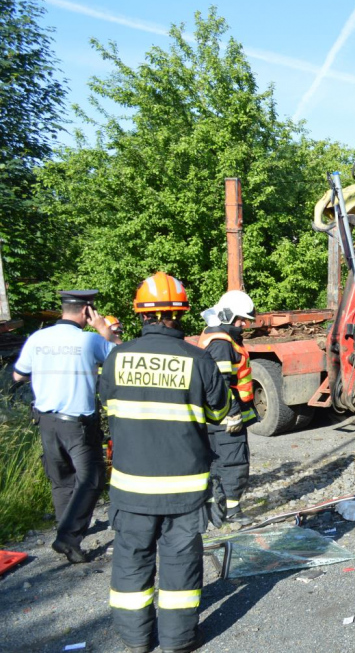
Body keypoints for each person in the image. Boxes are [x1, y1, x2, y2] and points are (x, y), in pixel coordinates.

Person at [99, 272, 234, 653]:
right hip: (184, 490)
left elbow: (109, 407)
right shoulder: (199, 360)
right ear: (180, 314)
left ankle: (136, 640)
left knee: (131, 561)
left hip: (131, 488)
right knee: (180, 565)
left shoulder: (116, 357)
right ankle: (177, 642)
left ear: (141, 314)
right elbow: (222, 412)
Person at [12, 290, 120, 563]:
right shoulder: (89, 340)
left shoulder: (37, 338)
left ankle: (65, 531)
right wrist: (104, 330)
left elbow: (17, 375)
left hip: (46, 421)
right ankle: (68, 537)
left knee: (61, 479)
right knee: (92, 478)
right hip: (78, 424)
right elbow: (120, 358)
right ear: (86, 312)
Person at [198, 290, 256, 527]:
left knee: (214, 463)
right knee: (234, 462)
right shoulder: (222, 343)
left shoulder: (215, 336)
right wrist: (232, 412)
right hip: (225, 418)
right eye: (242, 320)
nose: (244, 325)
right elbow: (220, 383)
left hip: (213, 417)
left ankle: (215, 508)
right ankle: (232, 511)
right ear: (228, 315)